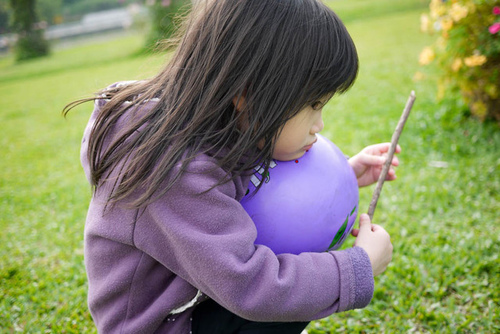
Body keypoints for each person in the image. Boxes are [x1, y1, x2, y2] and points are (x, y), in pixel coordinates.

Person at [66, 0, 400, 332]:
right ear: (247, 93)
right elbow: (251, 287)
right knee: (290, 296)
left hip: (198, 302)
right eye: (313, 105)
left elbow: (244, 187)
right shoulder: (170, 169)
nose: (319, 125)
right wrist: (360, 267)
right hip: (165, 325)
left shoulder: (209, 126)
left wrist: (342, 176)